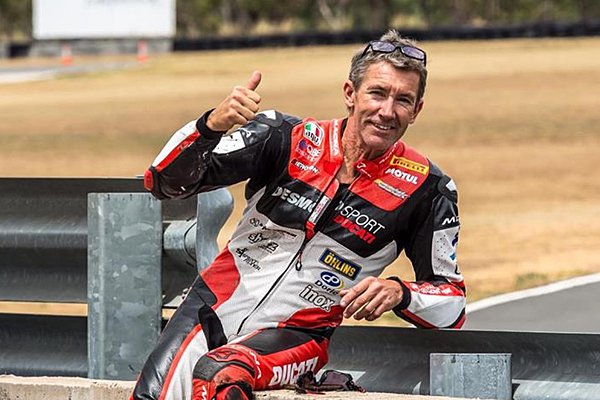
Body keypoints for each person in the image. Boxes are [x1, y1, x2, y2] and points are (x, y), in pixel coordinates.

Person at [132, 29, 466, 400]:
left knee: (222, 375)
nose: (387, 111)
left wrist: (401, 292)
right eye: (377, 93)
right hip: (210, 306)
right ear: (350, 93)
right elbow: (162, 181)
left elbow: (452, 305)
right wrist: (211, 126)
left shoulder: (427, 188)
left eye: (403, 100)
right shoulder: (283, 136)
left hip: (297, 335)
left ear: (417, 110)